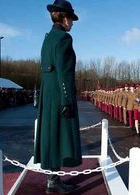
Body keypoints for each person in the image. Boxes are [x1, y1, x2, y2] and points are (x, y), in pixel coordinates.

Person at [34, 0, 82, 193]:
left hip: (48, 94)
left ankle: (52, 180)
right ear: (63, 17)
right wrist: (67, 99)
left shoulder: (48, 38)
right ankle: (53, 181)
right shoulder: (63, 39)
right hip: (59, 94)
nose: (72, 23)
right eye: (71, 19)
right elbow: (64, 72)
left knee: (52, 135)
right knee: (60, 136)